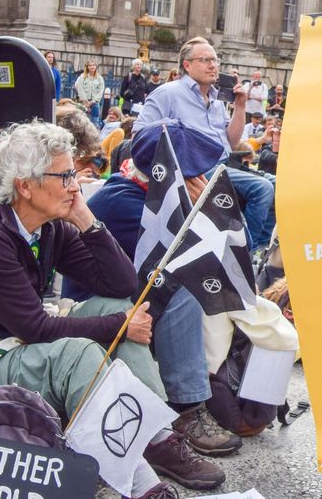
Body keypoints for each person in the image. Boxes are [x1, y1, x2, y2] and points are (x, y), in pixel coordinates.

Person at [0, 121, 216, 496]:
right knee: (80, 350)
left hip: (3, 344)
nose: (76, 184)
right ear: (25, 185)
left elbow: (123, 286)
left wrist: (87, 221)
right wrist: (120, 323)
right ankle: (141, 482)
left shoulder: (49, 226)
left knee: (117, 306)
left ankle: (155, 437)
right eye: (65, 175)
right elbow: (35, 328)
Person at [77, 121, 243, 459]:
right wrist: (203, 209)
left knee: (193, 286)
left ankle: (198, 392)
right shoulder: (124, 203)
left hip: (133, 296)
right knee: (187, 287)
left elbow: (236, 258)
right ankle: (187, 407)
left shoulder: (143, 193)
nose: (202, 177)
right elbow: (204, 258)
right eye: (193, 172)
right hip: (98, 307)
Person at [134, 38, 276, 250]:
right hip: (195, 170)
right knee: (262, 188)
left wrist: (240, 107)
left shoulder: (217, 100)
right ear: (187, 65)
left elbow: (232, 141)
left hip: (224, 164)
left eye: (215, 60)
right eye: (205, 60)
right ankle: (247, 251)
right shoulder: (168, 93)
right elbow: (140, 133)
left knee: (277, 184)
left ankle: (263, 247)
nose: (213, 65)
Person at [73, 60, 106, 128]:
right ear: (87, 67)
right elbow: (80, 88)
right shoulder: (82, 77)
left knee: (95, 122)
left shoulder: (100, 78)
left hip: (94, 103)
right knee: (81, 122)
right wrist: (85, 101)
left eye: (93, 65)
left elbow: (100, 91)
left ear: (96, 67)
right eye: (90, 65)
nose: (92, 67)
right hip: (83, 102)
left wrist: (93, 101)